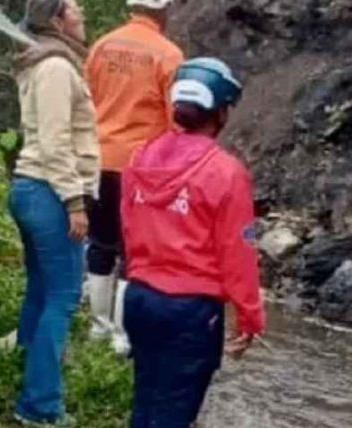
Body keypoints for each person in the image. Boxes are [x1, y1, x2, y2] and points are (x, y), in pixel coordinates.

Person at [120, 57, 266, 428]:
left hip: (139, 300)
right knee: (174, 412)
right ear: (219, 111)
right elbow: (238, 253)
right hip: (189, 311)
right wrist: (249, 316)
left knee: (146, 401)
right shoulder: (226, 172)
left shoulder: (141, 156)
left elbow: (128, 228)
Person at [9, 0, 98, 427]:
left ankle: (27, 372)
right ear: (60, 20)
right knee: (63, 297)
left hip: (32, 189)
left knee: (43, 290)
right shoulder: (56, 67)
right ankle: (40, 406)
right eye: (78, 10)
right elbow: (56, 142)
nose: (83, 17)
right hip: (48, 191)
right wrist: (75, 201)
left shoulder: (40, 60)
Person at [83, 0, 184, 354]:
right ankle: (123, 338)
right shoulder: (168, 55)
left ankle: (98, 327)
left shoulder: (102, 47)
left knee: (100, 243)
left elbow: (86, 101)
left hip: (98, 159)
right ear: (164, 7)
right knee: (134, 250)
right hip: (142, 168)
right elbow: (177, 118)